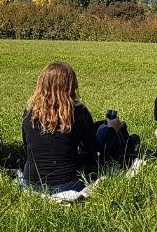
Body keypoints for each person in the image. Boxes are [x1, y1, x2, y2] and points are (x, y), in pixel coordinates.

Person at [19, 61, 128, 199]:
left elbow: (27, 147)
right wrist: (111, 129)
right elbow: (93, 150)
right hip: (67, 183)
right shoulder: (78, 112)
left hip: (30, 182)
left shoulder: (29, 112)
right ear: (71, 85)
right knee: (104, 131)